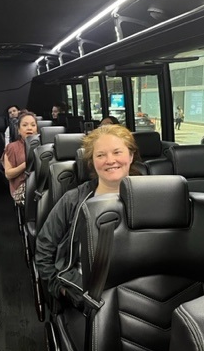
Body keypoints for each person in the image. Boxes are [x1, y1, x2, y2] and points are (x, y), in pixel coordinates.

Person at [35, 125, 140, 300]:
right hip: (86, 294)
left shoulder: (152, 197)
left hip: (140, 294)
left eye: (117, 152)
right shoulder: (73, 200)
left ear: (130, 156)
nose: (110, 160)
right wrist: (62, 290)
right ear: (91, 161)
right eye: (100, 155)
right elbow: (44, 250)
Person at [3, 111, 38, 205]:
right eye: (25, 125)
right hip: (22, 188)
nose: (29, 128)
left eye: (33, 125)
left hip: (41, 185)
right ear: (18, 130)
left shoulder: (43, 146)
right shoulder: (12, 147)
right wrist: (26, 164)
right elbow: (8, 174)